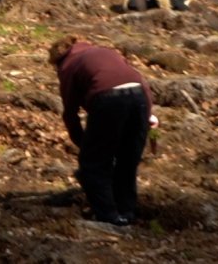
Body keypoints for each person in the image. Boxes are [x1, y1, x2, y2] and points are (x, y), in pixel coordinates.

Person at [49, 36, 157, 227]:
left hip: (108, 98)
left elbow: (70, 113)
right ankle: (127, 212)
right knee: (127, 160)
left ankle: (108, 217)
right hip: (138, 95)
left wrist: (84, 145)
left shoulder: (68, 65)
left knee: (93, 165)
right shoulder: (104, 52)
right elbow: (140, 80)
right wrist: (148, 114)